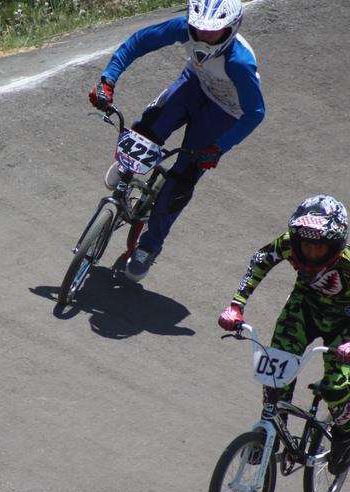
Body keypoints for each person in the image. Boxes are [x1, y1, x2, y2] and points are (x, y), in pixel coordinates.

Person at [217, 195, 350, 475]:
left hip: (344, 321)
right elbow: (261, 260)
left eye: (319, 246)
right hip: (303, 309)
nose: (311, 252)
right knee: (275, 375)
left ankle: (344, 436)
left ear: (335, 245)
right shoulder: (289, 243)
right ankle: (270, 431)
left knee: (336, 387)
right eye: (306, 245)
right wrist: (236, 306)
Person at [89, 0, 264, 282]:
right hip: (194, 85)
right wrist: (107, 81)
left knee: (181, 181)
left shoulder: (239, 63)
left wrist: (218, 148)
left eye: (212, 31)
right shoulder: (183, 28)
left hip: (224, 112)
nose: (202, 36)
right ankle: (128, 167)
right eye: (198, 28)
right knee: (150, 127)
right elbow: (139, 42)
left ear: (230, 29)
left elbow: (255, 113)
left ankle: (148, 248)